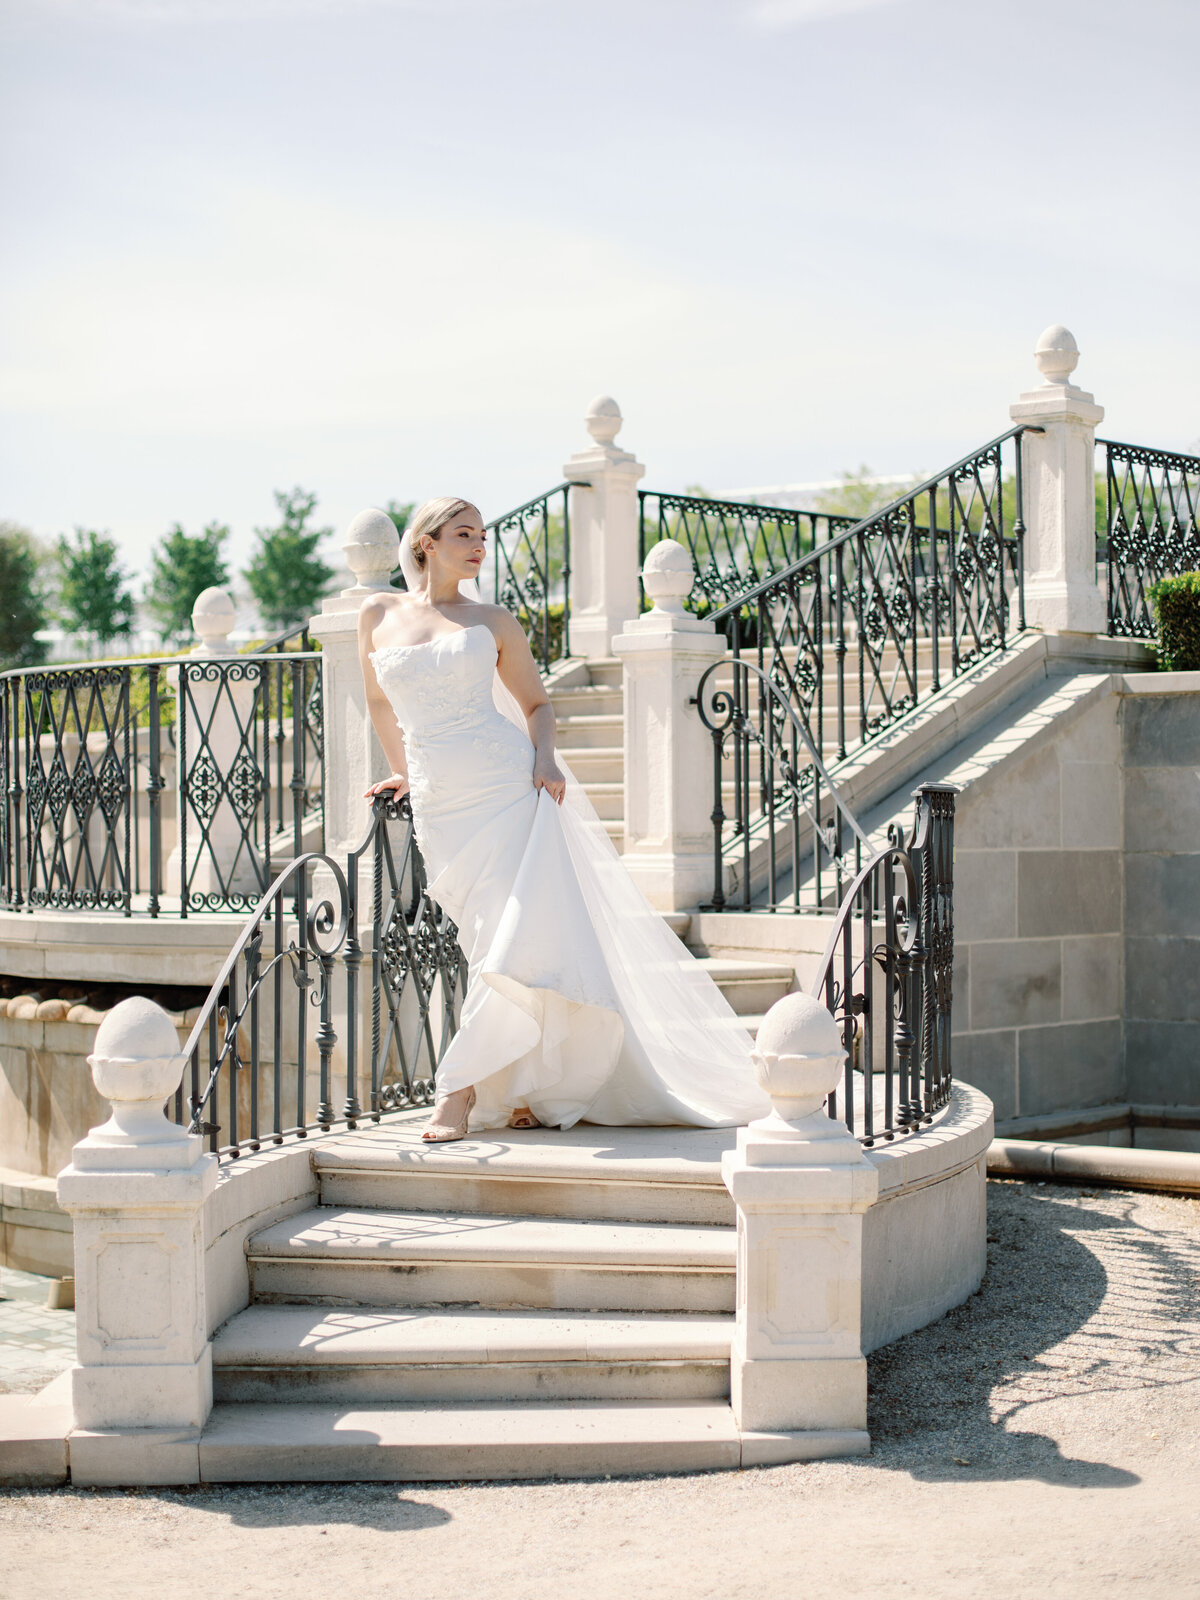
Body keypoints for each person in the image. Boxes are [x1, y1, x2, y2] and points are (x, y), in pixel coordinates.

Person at [357, 496, 769, 1142]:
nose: (479, 545)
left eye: (483, 536)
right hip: (442, 805)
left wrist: (546, 758)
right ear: (426, 543)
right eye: (464, 534)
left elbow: (537, 706)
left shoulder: (494, 621)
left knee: (509, 940)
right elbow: (381, 703)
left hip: (507, 790)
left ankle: (457, 1092)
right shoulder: (377, 614)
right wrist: (403, 771)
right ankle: (532, 1087)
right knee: (487, 942)